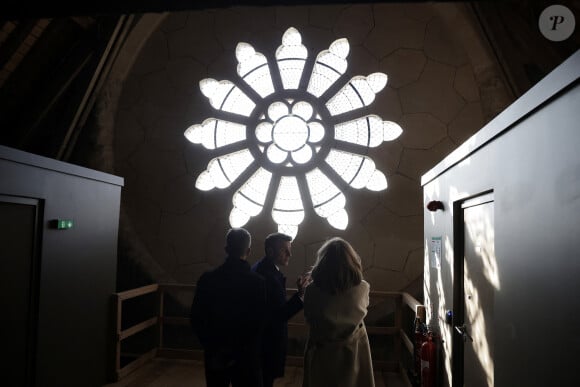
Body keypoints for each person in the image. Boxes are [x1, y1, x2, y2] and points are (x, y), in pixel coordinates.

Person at [190, 228, 266, 387]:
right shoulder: (257, 282)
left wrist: (212, 347)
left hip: (216, 353)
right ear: (249, 250)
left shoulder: (207, 279)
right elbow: (258, 323)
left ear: (226, 249)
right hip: (246, 357)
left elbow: (196, 319)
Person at [302, 237, 375, 387]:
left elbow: (309, 316)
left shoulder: (312, 290)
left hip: (321, 353)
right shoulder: (363, 288)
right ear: (352, 260)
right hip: (353, 352)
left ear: (322, 261)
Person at [251, 232, 310, 387]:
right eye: (285, 250)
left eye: (290, 249)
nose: (290, 254)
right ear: (270, 251)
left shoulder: (260, 267)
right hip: (267, 343)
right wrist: (301, 296)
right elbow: (279, 315)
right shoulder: (269, 277)